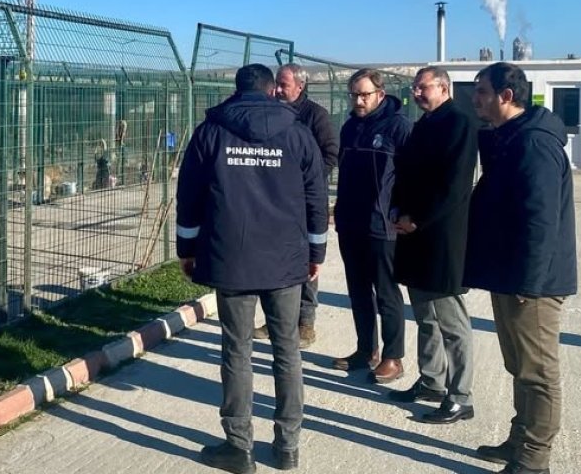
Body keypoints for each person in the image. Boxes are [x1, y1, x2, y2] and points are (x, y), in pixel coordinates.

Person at [176, 63, 329, 474]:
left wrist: (186, 248)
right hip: (285, 259)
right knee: (287, 350)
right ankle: (287, 447)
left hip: (232, 258)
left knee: (237, 351)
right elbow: (316, 195)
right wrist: (317, 253)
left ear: (236, 89)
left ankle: (239, 447)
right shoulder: (296, 132)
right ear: (271, 90)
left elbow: (188, 192)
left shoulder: (212, 131)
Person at [466, 62, 578, 474]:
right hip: (509, 273)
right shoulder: (509, 138)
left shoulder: (533, 144)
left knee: (538, 371)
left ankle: (534, 458)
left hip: (531, 281)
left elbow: (541, 220)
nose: (475, 98)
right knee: (519, 365)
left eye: (481, 91)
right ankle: (521, 440)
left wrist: (528, 284)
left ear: (505, 96)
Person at [389, 66, 479, 424]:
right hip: (413, 233)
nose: (415, 93)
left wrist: (418, 218)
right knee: (425, 316)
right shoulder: (425, 123)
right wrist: (397, 208)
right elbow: (406, 172)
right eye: (414, 87)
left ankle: (461, 396)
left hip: (441, 235)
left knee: (450, 321)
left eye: (422, 87)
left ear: (444, 88)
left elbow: (454, 186)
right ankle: (432, 380)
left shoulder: (459, 123)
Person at [330, 68, 411, 383]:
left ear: (380, 94)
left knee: (386, 293)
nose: (359, 100)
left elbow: (412, 175)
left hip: (382, 224)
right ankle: (366, 350)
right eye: (354, 94)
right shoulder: (350, 127)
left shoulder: (398, 127)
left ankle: (394, 357)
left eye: (364, 94)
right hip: (351, 222)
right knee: (358, 290)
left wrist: (402, 212)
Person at [252, 63, 339, 348]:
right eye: (276, 83)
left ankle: (305, 323)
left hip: (304, 201)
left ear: (300, 86)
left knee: (305, 263)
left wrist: (305, 181)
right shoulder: (270, 113)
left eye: (283, 85)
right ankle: (275, 318)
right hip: (274, 200)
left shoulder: (315, 115)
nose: (277, 89)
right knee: (273, 260)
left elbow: (330, 154)